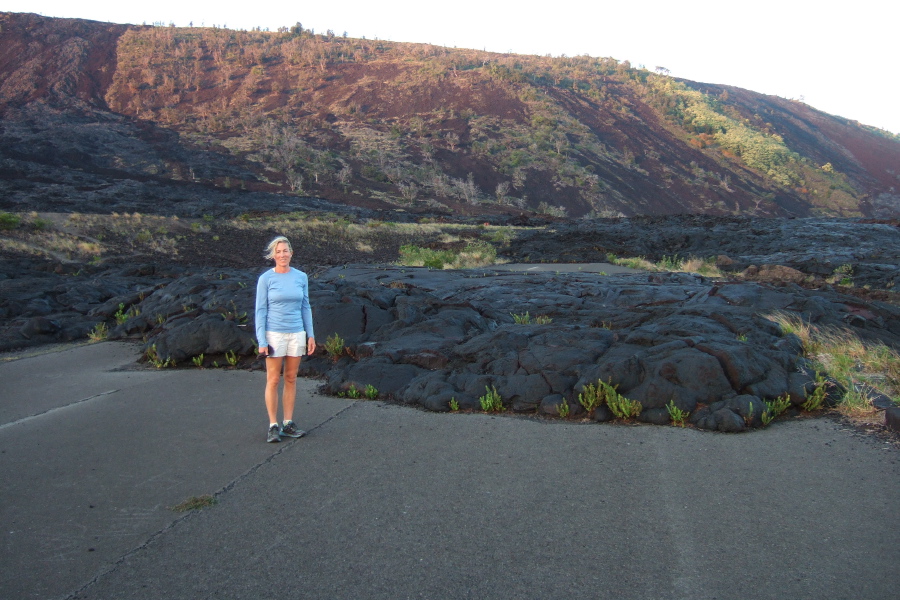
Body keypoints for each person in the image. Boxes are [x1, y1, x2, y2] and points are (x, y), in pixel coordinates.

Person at [255, 235, 316, 443]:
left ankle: (288, 423)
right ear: (273, 255)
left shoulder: (301, 277)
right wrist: (262, 340)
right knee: (273, 379)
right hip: (274, 334)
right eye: (278, 251)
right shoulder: (266, 279)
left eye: (285, 251)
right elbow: (260, 310)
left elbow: (305, 306)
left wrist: (310, 335)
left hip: (296, 333)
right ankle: (273, 425)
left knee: (291, 378)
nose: (282, 255)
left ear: (291, 253)